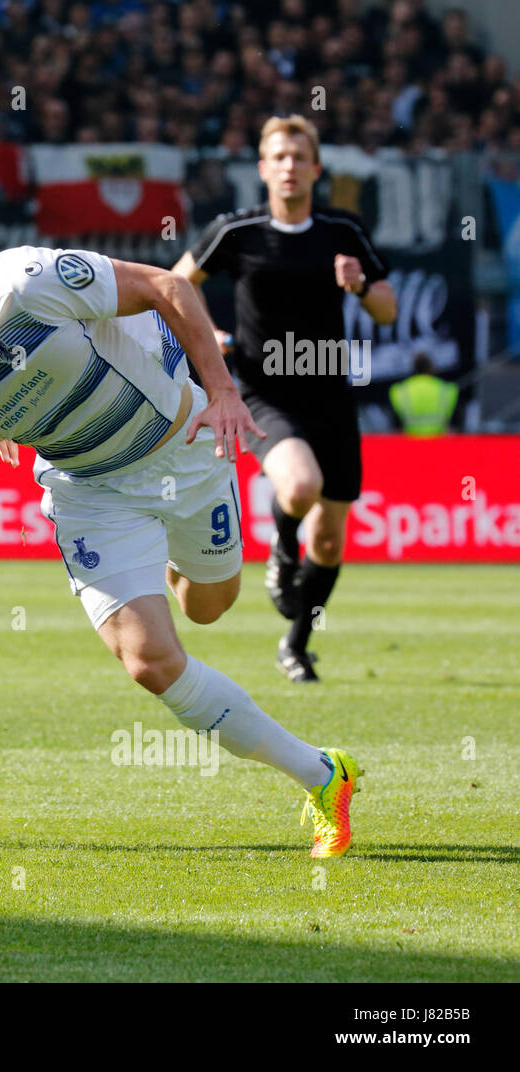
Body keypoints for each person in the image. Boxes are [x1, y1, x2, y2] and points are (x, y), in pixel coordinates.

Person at [0, 250, 364, 859]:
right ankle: (324, 775)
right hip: (90, 494)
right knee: (151, 662)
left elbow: (166, 284)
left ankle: (162, 555)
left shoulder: (27, 286)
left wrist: (221, 390)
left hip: (182, 453)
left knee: (208, 606)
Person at [173, 114, 397, 683]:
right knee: (299, 486)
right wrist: (210, 338)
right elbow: (172, 288)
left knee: (331, 531)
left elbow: (387, 308)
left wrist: (362, 286)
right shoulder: (236, 231)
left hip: (330, 394)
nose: (290, 166)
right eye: (279, 156)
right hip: (259, 389)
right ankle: (281, 551)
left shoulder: (342, 233)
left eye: (300, 156)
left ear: (315, 168)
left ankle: (297, 644)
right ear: (263, 169)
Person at [390, 352, 458, 436]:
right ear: (431, 367)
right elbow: (453, 428)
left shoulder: (400, 390)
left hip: (411, 445)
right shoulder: (446, 389)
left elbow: (396, 428)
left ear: (414, 367)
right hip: (439, 444)